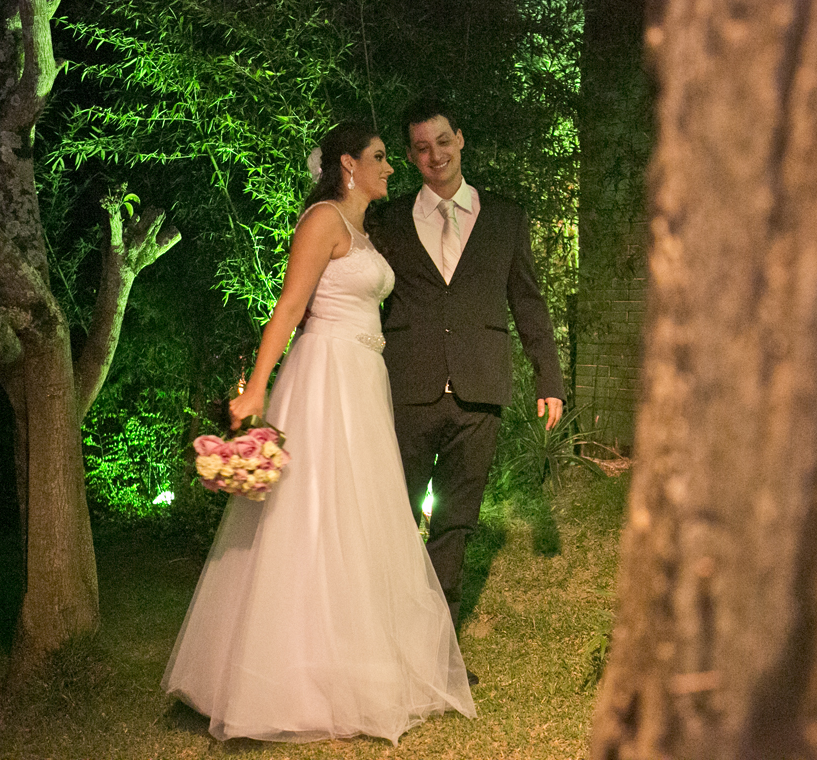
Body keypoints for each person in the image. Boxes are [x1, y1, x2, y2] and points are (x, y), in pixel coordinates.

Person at [162, 121, 475, 745]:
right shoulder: (323, 221)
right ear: (348, 164)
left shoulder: (362, 231)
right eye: (380, 157)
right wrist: (256, 387)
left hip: (362, 377)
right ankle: (292, 677)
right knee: (310, 515)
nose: (392, 167)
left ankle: (354, 663)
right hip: (325, 375)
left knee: (357, 516)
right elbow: (289, 306)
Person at [371, 97, 566, 648]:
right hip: (407, 389)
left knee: (455, 525)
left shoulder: (505, 218)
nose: (435, 155)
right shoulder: (387, 220)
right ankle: (384, 643)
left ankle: (436, 651)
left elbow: (528, 302)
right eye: (422, 148)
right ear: (410, 155)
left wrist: (549, 380)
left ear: (460, 139)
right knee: (392, 517)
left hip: (480, 390)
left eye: (443, 141)